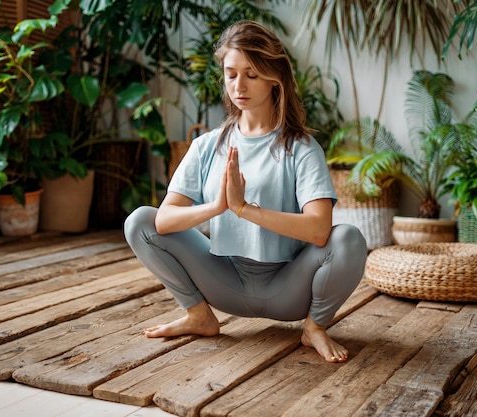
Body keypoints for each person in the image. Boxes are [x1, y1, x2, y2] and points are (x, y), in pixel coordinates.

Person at [124, 20, 367, 363]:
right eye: (231, 73)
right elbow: (163, 222)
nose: (239, 85)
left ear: (274, 77)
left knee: (349, 239)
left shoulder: (302, 148)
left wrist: (244, 209)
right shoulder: (206, 146)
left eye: (251, 74)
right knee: (140, 221)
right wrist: (218, 206)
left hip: (288, 290)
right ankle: (199, 315)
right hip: (225, 282)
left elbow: (318, 229)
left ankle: (314, 328)